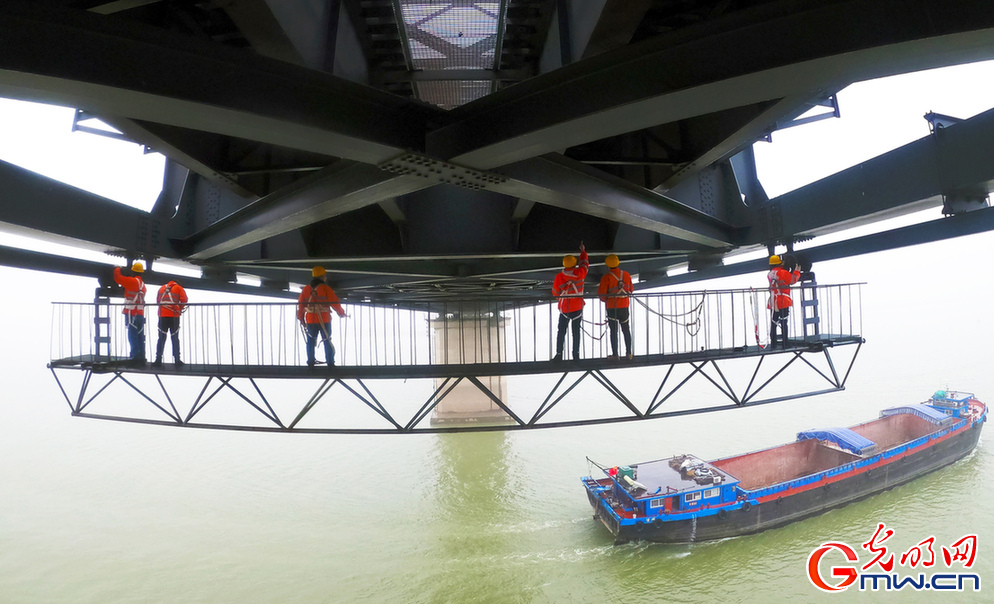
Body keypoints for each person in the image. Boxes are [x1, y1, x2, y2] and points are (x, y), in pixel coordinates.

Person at [297, 266, 346, 367]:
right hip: (324, 319)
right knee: (326, 340)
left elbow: (301, 305)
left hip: (310, 320)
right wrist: (341, 312)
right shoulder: (325, 288)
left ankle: (310, 362)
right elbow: (335, 302)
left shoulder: (306, 289)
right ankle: (330, 363)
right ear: (323, 277)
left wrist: (301, 318)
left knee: (310, 341)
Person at [551, 243, 589, 361]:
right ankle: (576, 355)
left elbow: (555, 292)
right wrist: (583, 252)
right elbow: (585, 264)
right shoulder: (581, 273)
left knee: (561, 332)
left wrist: (563, 298)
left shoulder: (559, 277)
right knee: (576, 332)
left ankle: (558, 355)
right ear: (575, 264)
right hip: (577, 308)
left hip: (564, 309)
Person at [598, 254, 633, 359]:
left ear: (607, 265)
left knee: (613, 331)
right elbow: (630, 289)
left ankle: (615, 355)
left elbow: (602, 295)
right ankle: (629, 353)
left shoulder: (606, 278)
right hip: (624, 306)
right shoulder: (626, 275)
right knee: (626, 330)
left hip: (612, 307)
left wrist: (607, 301)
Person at [114, 261, 147, 366]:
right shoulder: (143, 285)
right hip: (140, 313)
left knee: (132, 335)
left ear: (133, 272)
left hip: (131, 312)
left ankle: (135, 356)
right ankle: (141, 356)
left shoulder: (132, 281)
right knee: (140, 335)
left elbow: (118, 278)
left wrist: (117, 268)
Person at [152, 279, 188, 367]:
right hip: (174, 316)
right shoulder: (179, 288)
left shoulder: (161, 288)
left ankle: (158, 360)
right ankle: (177, 360)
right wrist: (179, 309)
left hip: (162, 316)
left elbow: (158, 301)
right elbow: (184, 300)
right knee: (175, 338)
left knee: (161, 338)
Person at [767, 254, 801, 349]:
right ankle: (785, 342)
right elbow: (792, 280)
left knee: (774, 322)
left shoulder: (770, 274)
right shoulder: (783, 272)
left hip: (773, 301)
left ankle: (773, 341)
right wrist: (797, 272)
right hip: (783, 301)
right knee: (784, 321)